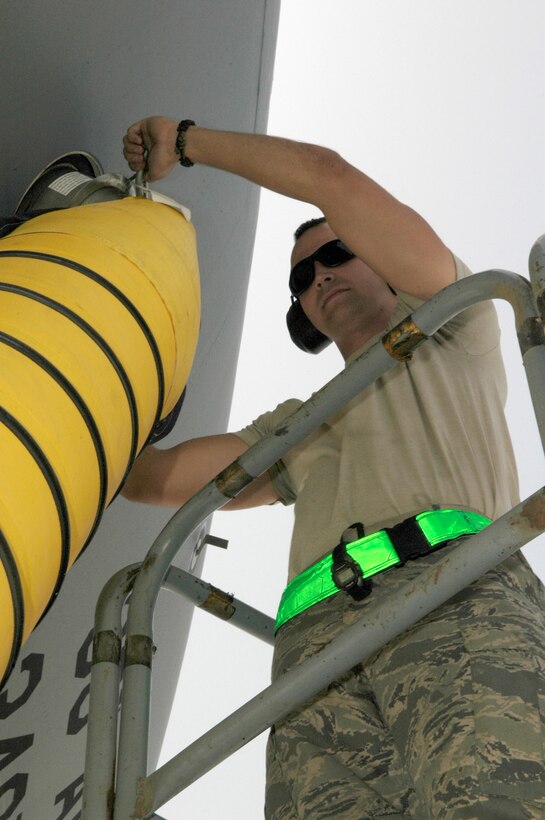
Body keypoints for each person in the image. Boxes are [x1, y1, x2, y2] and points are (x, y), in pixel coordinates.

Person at [122, 117, 545, 819]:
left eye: (336, 254)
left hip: (450, 594)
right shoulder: (296, 425)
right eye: (301, 278)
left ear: (377, 260)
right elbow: (152, 478)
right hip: (311, 653)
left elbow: (328, 176)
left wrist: (185, 141)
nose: (319, 276)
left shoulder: (456, 324)